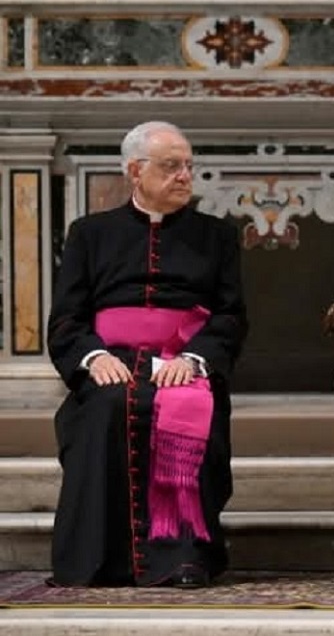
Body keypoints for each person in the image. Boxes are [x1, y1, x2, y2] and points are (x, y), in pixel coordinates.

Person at [47, 121, 248, 588]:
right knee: (108, 405)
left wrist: (194, 360)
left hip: (183, 361)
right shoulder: (89, 234)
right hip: (112, 360)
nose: (185, 176)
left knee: (185, 403)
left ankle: (183, 558)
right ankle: (100, 560)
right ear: (135, 171)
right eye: (171, 166)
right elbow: (66, 318)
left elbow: (231, 316)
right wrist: (93, 358)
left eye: (189, 166)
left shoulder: (216, 236)